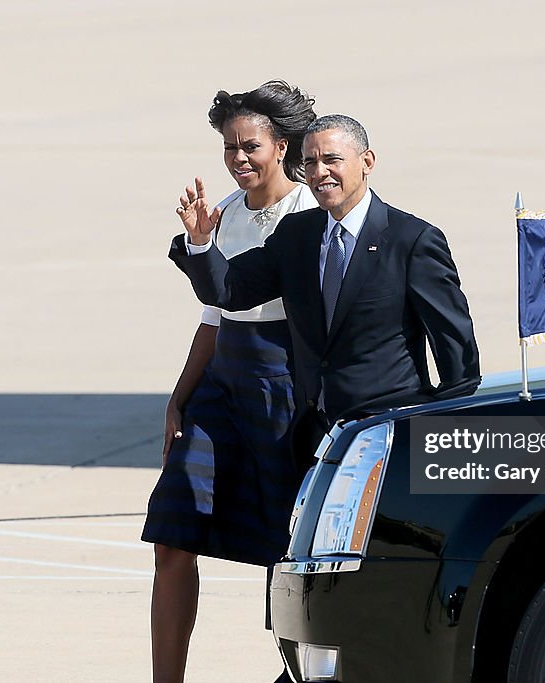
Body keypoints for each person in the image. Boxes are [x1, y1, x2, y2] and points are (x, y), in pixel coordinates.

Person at [170, 113, 481, 467]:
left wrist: (449, 435)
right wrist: (200, 243)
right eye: (310, 162)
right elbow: (229, 291)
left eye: (331, 159)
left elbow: (455, 346)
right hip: (315, 435)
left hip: (387, 431)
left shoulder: (412, 240)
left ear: (367, 162)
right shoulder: (297, 234)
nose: (319, 173)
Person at [141, 81, 317, 683]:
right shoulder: (223, 216)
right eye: (228, 148)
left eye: (250, 147)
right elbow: (214, 317)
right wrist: (180, 397)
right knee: (172, 530)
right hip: (221, 386)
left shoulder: (308, 216)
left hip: (281, 387)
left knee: (284, 547)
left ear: (282, 145)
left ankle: (296, 672)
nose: (238, 159)